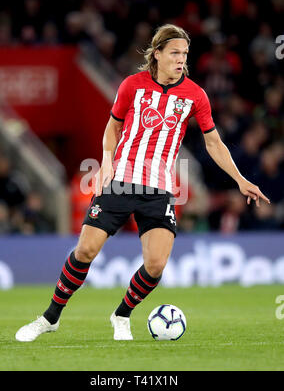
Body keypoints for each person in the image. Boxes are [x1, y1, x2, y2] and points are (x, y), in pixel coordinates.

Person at [15, 23, 270, 342]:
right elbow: (112, 128)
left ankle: (121, 315)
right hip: (121, 181)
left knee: (156, 265)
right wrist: (107, 160)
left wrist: (240, 179)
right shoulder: (132, 86)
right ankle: (50, 317)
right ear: (158, 53)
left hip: (160, 190)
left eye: (185, 54)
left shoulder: (194, 95)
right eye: (175, 52)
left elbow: (214, 143)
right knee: (85, 251)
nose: (181, 59)